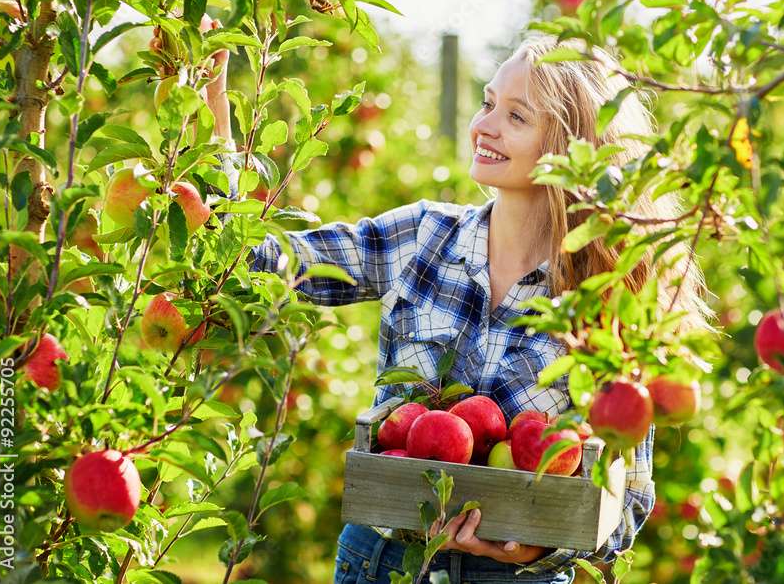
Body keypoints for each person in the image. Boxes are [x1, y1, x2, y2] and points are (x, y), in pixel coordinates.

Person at [204, 32, 712, 583]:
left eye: (517, 117)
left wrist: (531, 552)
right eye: (488, 103)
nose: (483, 126)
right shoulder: (423, 237)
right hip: (382, 562)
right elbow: (257, 265)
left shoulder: (608, 298)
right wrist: (213, 118)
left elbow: (627, 500)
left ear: (571, 152)